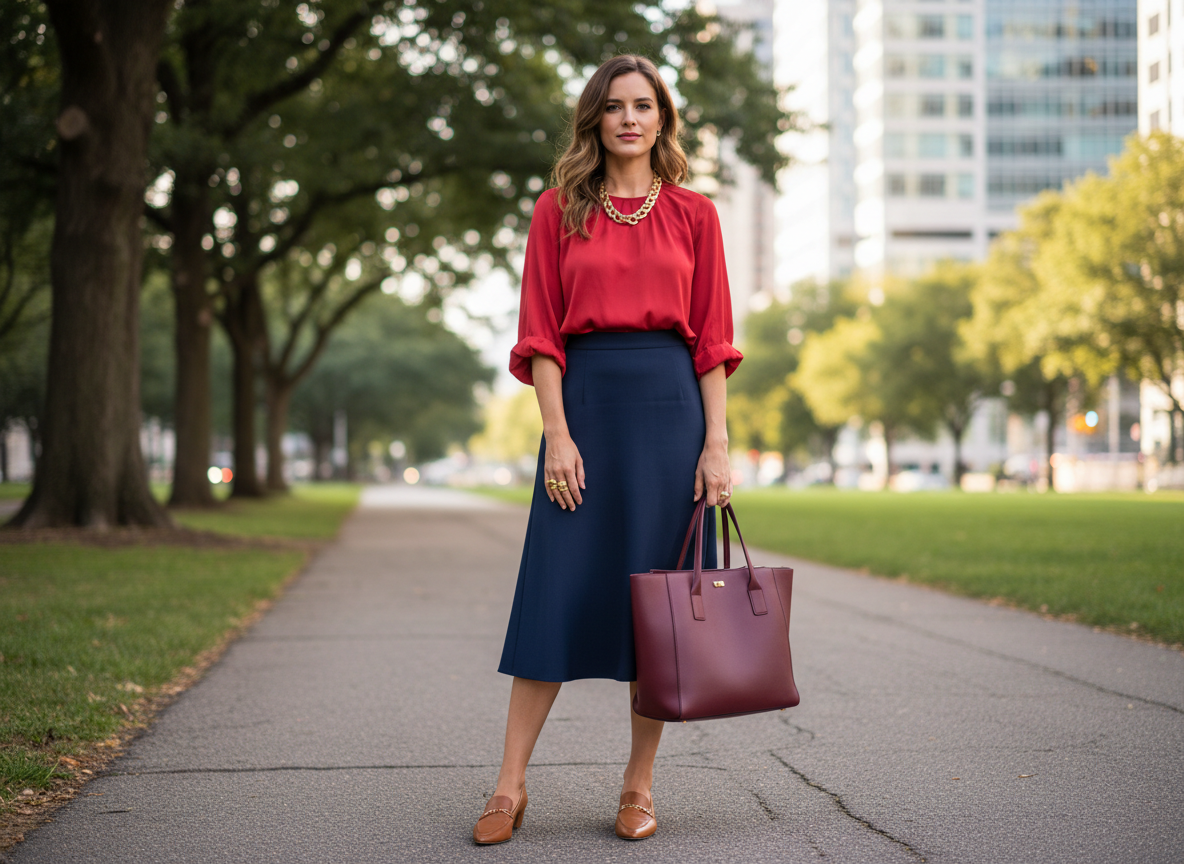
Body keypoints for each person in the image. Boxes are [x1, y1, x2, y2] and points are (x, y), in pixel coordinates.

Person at [473, 54, 741, 845]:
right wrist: (556, 433)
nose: (629, 118)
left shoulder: (696, 214)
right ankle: (509, 786)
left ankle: (637, 786)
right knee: (553, 596)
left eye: (644, 105)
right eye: (615, 105)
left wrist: (716, 444)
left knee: (657, 613)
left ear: (662, 120)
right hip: (584, 411)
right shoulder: (556, 211)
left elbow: (714, 342)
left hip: (672, 419)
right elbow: (540, 334)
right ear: (595, 118)